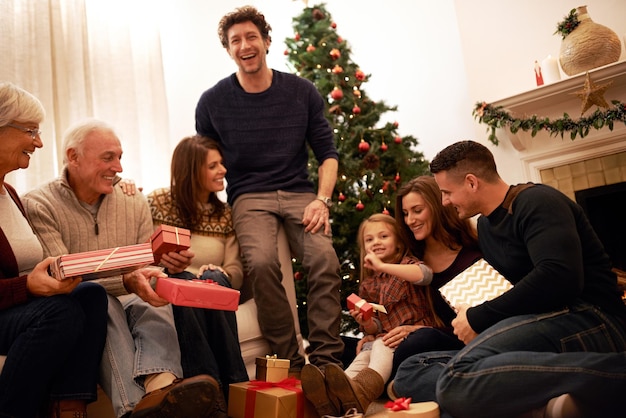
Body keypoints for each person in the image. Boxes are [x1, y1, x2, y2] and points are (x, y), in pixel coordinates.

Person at [396, 140, 626, 418]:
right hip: (540, 323)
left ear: (471, 182)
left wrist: (479, 317)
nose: (444, 201)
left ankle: (613, 375)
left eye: (447, 192)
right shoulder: (486, 225)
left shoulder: (537, 201)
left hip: (592, 318)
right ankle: (545, 404)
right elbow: (512, 292)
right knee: (411, 369)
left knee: (456, 378)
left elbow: (559, 277)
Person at [23, 119, 222, 418]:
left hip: (129, 292)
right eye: (107, 157)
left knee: (154, 300)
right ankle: (132, 410)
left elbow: (142, 266)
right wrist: (128, 278)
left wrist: (149, 271)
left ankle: (161, 390)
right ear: (73, 156)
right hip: (82, 298)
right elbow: (64, 276)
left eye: (119, 157)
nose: (118, 167)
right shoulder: (39, 203)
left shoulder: (133, 200)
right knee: (101, 303)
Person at [195, 5, 344, 374]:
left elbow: (327, 153)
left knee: (324, 260)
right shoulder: (212, 102)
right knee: (261, 264)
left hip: (299, 193)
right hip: (249, 196)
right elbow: (204, 161)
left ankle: (327, 363)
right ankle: (292, 364)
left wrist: (321, 202)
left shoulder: (301, 92)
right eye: (235, 41)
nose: (244, 45)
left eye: (251, 37)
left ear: (266, 41)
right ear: (228, 50)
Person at [0, 82, 108, 418]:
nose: (39, 142)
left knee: (90, 295)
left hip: (16, 308)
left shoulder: (11, 196)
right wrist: (28, 286)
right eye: (30, 130)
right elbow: (20, 282)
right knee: (61, 312)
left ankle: (68, 406)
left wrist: (51, 277)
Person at [146, 135, 248, 402]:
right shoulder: (158, 203)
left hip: (214, 285)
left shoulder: (225, 213)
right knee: (184, 281)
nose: (223, 170)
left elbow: (236, 268)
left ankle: (231, 388)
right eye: (213, 165)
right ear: (192, 170)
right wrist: (163, 263)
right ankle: (212, 391)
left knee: (213, 278)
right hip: (176, 285)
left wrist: (223, 273)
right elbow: (146, 255)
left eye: (221, 163)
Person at [302, 213, 435, 415]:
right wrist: (365, 321)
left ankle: (363, 392)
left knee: (381, 344)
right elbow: (377, 326)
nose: (376, 243)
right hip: (385, 336)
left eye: (383, 236)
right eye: (369, 239)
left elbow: (424, 275)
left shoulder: (408, 265)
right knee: (365, 353)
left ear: (398, 242)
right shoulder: (369, 284)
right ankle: (335, 395)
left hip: (413, 333)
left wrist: (383, 266)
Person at [390, 176, 481, 395]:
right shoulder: (410, 261)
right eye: (405, 213)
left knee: (420, 340)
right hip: (405, 344)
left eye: (417, 210)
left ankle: (396, 384)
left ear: (437, 207)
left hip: (458, 341)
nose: (410, 220)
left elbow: (480, 323)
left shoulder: (473, 255)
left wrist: (423, 330)